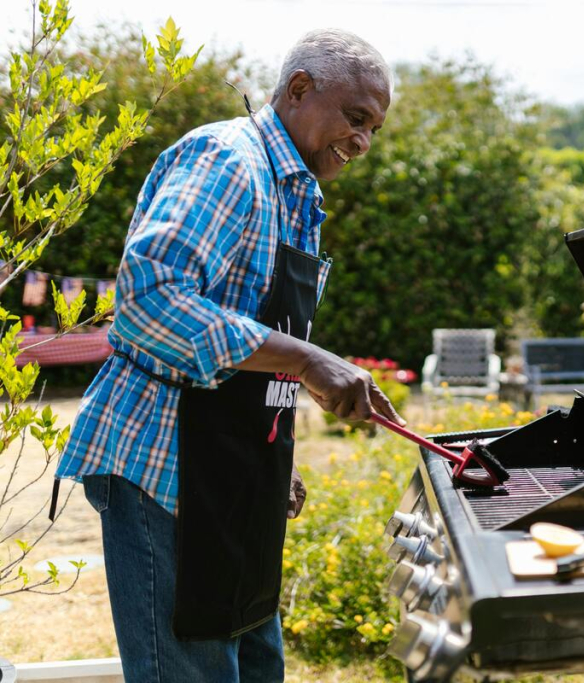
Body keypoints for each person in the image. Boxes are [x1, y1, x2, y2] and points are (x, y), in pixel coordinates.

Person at [51, 28, 401, 682]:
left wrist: (268, 461)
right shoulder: (228, 161)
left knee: (257, 666)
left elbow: (247, 335)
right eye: (356, 119)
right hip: (163, 465)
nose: (362, 142)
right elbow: (151, 299)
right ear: (299, 89)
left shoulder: (298, 194)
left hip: (233, 475)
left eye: (374, 130)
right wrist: (308, 360)